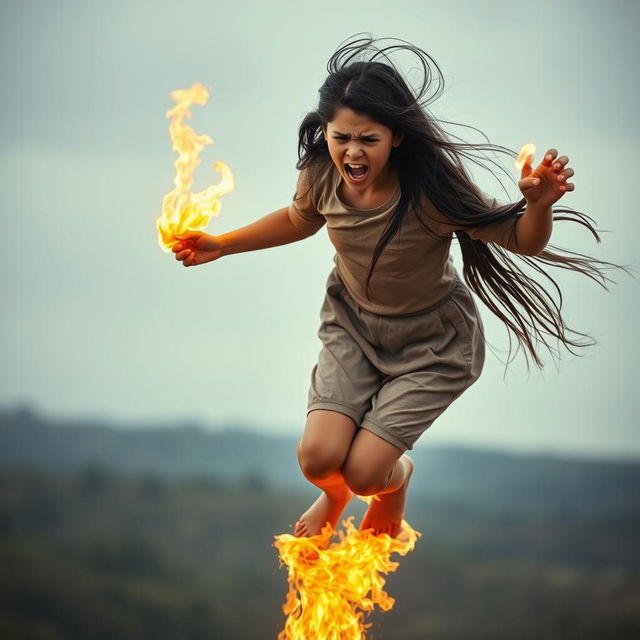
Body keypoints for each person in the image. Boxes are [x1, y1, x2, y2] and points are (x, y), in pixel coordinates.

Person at [170, 35, 631, 542]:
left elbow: (522, 240)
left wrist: (540, 206)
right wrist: (223, 244)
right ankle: (335, 494)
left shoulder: (431, 193)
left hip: (432, 345)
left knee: (367, 473)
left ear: (397, 138)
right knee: (318, 459)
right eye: (341, 136)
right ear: (325, 132)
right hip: (352, 327)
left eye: (368, 139)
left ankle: (398, 481)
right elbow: (300, 221)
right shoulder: (321, 174)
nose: (352, 150)